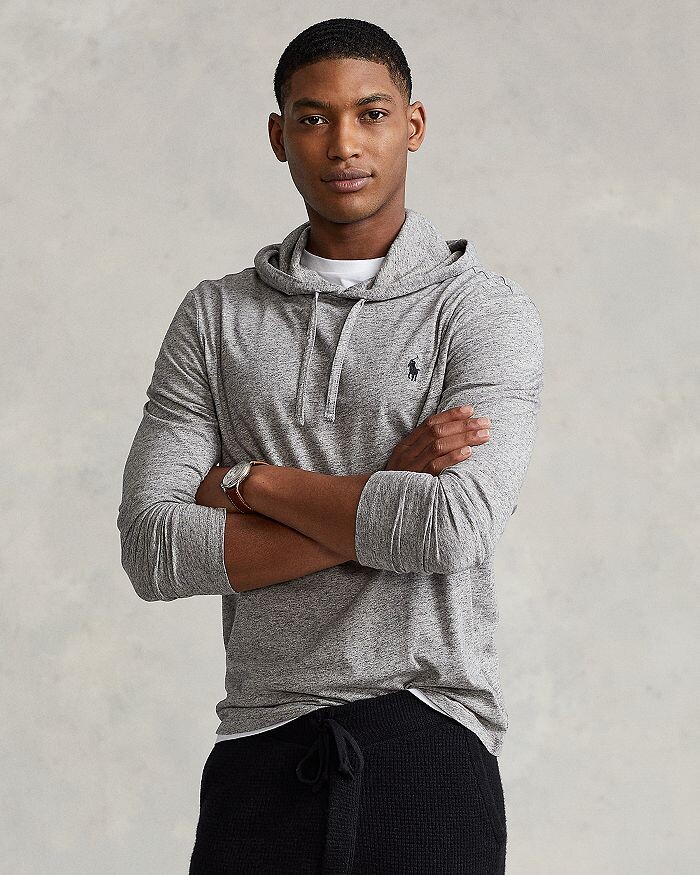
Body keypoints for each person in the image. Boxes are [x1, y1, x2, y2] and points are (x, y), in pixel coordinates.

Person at [117, 16, 544, 875]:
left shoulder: (479, 310)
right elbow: (155, 548)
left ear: (412, 125)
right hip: (259, 745)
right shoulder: (215, 317)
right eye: (313, 118)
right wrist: (387, 485)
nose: (343, 144)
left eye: (371, 114)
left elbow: (451, 527)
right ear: (280, 137)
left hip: (431, 735)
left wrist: (248, 481)